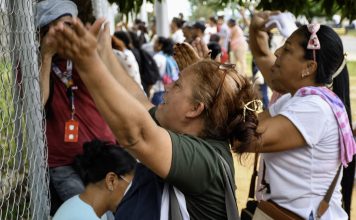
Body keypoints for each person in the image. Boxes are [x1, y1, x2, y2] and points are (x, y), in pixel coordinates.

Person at [46, 17, 262, 220]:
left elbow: (136, 134)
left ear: (195, 109)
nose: (167, 87)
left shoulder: (205, 162)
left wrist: (87, 63)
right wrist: (104, 52)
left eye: (177, 84)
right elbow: (137, 98)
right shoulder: (186, 130)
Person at [247, 11, 356, 219]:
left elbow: (246, 137)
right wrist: (255, 29)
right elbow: (247, 126)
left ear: (308, 68)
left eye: (286, 49)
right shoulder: (293, 99)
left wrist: (221, 89)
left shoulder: (314, 108)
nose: (277, 52)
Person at [35, 0, 116, 213]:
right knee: (87, 213)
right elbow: (38, 103)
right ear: (44, 32)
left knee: (109, 212)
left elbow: (111, 88)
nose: (67, 34)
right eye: (61, 28)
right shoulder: (30, 64)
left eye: (71, 26)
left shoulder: (86, 56)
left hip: (101, 153)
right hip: (61, 161)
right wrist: (46, 56)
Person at [53, 140, 136, 220]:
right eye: (130, 186)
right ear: (111, 180)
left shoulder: (80, 205)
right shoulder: (83, 217)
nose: (133, 194)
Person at [151, 37, 179, 105]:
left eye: (155, 43)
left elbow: (152, 75)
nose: (153, 45)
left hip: (157, 90)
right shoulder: (171, 58)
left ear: (161, 45)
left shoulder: (158, 57)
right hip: (169, 90)